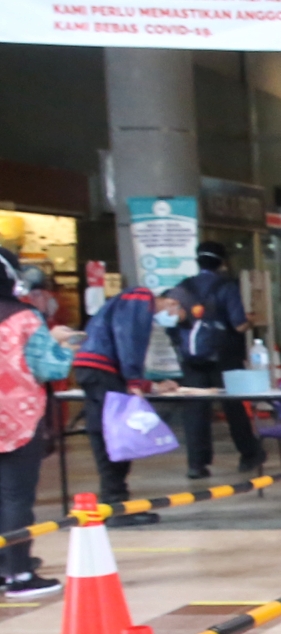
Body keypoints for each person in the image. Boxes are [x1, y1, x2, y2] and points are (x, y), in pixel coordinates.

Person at [0, 248, 78, 599]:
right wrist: (62, 342)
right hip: (18, 420)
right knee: (16, 496)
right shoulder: (26, 318)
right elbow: (51, 368)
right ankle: (18, 572)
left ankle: (4, 569)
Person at [72, 284, 182, 526]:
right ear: (169, 300)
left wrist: (146, 385)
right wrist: (134, 380)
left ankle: (113, 501)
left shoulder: (122, 301)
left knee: (102, 430)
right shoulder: (140, 296)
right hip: (103, 369)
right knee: (118, 434)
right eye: (175, 308)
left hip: (93, 367)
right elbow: (128, 337)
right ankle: (115, 505)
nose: (173, 315)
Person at [173, 242, 263, 479]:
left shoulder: (184, 287)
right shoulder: (226, 286)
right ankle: (249, 453)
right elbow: (239, 324)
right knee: (233, 405)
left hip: (192, 358)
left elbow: (174, 321)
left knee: (195, 409)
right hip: (225, 356)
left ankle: (196, 464)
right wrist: (252, 319)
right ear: (222, 262)